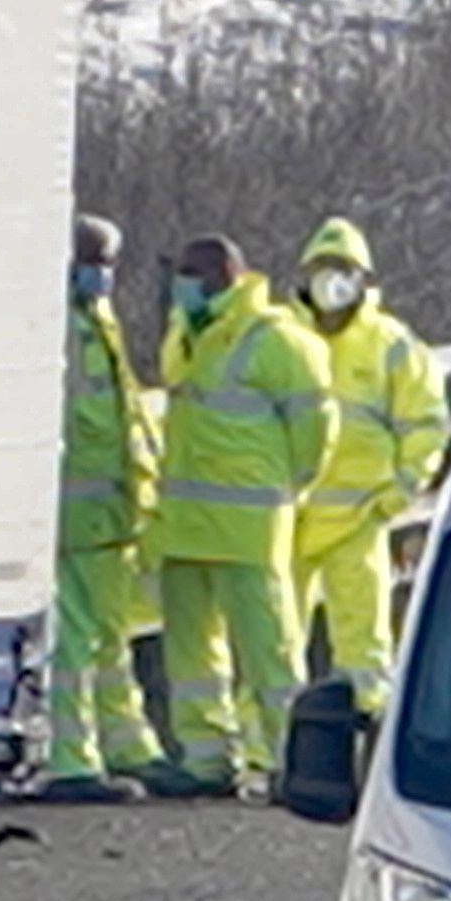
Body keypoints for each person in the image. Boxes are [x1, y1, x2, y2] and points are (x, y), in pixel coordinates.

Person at [143, 233, 324, 792]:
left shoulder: (276, 339)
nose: (184, 284)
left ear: (225, 274)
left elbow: (314, 432)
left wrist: (285, 488)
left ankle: (288, 761)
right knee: (191, 653)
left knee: (269, 654)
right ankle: (206, 759)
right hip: (185, 523)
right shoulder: (189, 332)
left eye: (192, 274)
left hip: (246, 527)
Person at [282, 215, 446, 690]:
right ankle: (267, 748)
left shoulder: (390, 344)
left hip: (359, 515)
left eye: (344, 267)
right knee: (274, 642)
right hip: (290, 516)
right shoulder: (282, 338)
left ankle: (363, 738)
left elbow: (426, 422)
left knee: (364, 643)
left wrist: (400, 492)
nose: (332, 278)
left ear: (365, 279)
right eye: (323, 266)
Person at [46, 216, 162, 798]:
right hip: (67, 521)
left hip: (107, 518)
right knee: (73, 642)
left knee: (111, 638)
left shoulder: (97, 322)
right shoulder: (55, 327)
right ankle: (70, 758)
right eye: (95, 261)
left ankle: (128, 746)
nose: (103, 275)